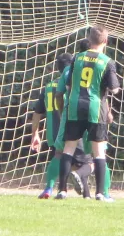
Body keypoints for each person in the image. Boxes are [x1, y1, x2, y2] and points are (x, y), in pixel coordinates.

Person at [55, 26, 120, 200]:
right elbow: (114, 90)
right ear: (105, 41)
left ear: (89, 40)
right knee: (99, 152)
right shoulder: (107, 61)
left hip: (75, 106)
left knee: (68, 148)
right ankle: (100, 193)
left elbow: (68, 86)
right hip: (95, 108)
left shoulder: (76, 58)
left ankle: (62, 191)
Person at [31, 53, 73, 198]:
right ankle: (101, 193)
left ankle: (49, 188)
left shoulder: (48, 86)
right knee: (95, 155)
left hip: (53, 131)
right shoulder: (73, 84)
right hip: (71, 127)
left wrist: (35, 134)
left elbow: (37, 112)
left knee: (58, 155)